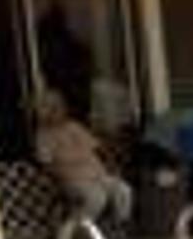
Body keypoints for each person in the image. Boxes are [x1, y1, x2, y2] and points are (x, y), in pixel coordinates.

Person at [34, 89, 133, 227]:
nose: (58, 110)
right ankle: (76, 228)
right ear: (44, 111)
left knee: (124, 190)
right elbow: (46, 164)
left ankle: (118, 226)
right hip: (74, 179)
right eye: (52, 107)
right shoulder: (44, 136)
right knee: (97, 198)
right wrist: (62, 177)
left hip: (98, 174)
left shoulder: (74, 126)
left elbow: (98, 148)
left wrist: (112, 165)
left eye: (60, 106)